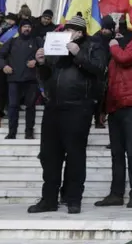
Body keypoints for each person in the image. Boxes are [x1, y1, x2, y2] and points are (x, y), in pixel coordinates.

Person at [28, 16, 107, 215]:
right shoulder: (56, 48)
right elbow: (47, 76)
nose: (64, 34)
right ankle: (48, 199)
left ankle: (73, 199)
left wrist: (78, 54)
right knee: (49, 155)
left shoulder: (93, 46)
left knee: (75, 154)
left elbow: (98, 70)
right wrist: (41, 63)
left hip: (78, 107)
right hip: (53, 106)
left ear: (79, 32)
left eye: (69, 30)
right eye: (63, 30)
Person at [95, 27, 132, 209]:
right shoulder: (115, 54)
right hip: (115, 107)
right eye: (115, 35)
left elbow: (123, 58)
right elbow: (109, 82)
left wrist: (114, 45)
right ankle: (116, 194)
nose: (115, 38)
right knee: (116, 153)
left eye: (119, 35)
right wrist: (103, 108)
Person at [0, 17, 42, 139]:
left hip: (31, 79)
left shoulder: (37, 41)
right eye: (25, 26)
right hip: (14, 79)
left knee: (30, 106)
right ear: (20, 28)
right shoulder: (12, 41)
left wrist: (36, 61)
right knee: (13, 106)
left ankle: (29, 132)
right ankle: (12, 132)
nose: (27, 29)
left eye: (29, 27)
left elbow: (46, 54)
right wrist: (4, 65)